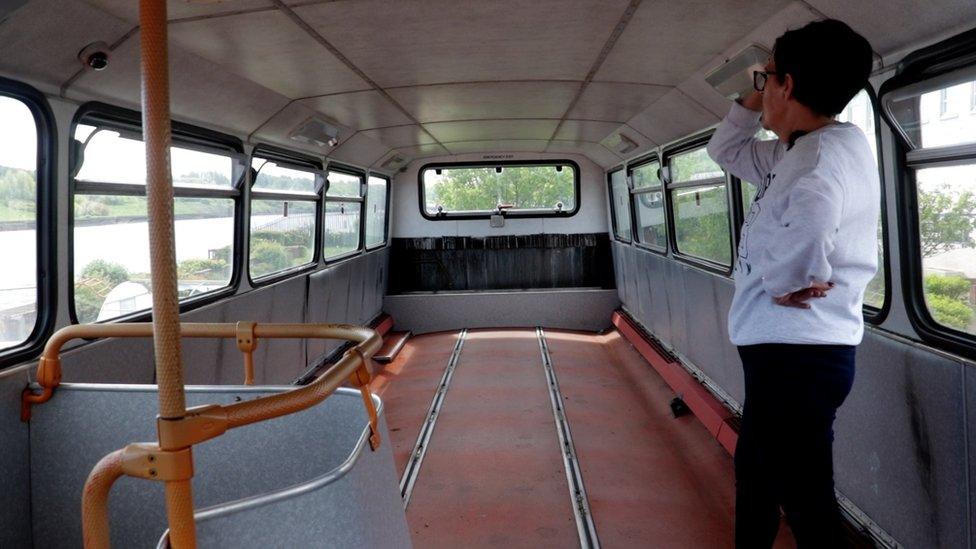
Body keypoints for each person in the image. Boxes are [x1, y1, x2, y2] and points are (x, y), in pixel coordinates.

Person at [706, 19, 878, 548]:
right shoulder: (798, 151)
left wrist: (788, 279)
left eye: (768, 78)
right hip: (788, 351)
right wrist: (750, 101)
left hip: (798, 353)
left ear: (789, 85)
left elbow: (811, 226)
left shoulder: (819, 158)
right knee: (760, 473)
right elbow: (725, 152)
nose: (762, 88)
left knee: (803, 496)